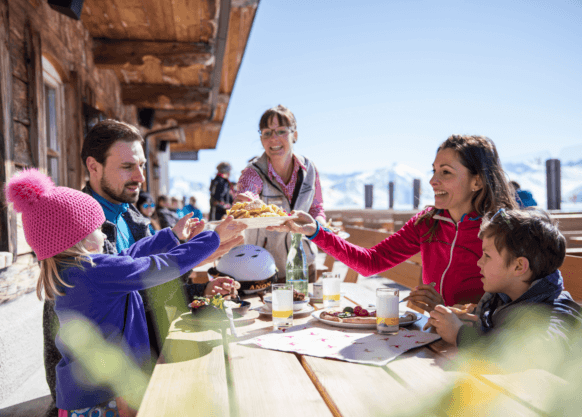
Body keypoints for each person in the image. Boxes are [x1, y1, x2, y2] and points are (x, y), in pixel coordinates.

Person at [5, 168, 245, 416]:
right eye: (99, 229)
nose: (103, 234)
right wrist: (212, 239)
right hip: (106, 397)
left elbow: (127, 257)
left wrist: (171, 237)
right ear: (84, 239)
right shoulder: (95, 272)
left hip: (83, 398)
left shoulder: (74, 271)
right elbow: (157, 267)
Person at [270, 135, 517, 310]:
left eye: (446, 172)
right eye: (433, 171)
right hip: (432, 335)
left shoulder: (501, 232)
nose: (433, 181)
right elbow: (371, 262)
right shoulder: (427, 223)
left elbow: (510, 307)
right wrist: (315, 231)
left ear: (477, 182)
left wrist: (448, 310)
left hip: (475, 346)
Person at [427, 208, 582, 374]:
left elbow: (534, 352)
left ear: (518, 266)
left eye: (487, 255)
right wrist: (469, 323)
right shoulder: (502, 298)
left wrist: (462, 335)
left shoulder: (557, 313)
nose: (479, 262)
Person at [234, 105, 326, 282]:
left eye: (281, 131)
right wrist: (247, 202)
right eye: (267, 133)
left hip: (303, 263)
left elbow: (316, 207)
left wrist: (322, 226)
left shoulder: (310, 169)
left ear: (295, 135)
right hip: (264, 268)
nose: (274, 138)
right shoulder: (252, 172)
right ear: (261, 139)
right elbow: (246, 195)